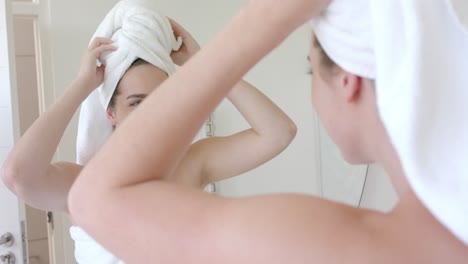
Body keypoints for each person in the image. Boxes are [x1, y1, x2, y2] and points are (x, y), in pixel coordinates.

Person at [66, 0, 468, 263]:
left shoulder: (348, 242)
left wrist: (271, 14)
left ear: (349, 81)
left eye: (311, 68)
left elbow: (94, 200)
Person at [0, 15, 297, 264]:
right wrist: (81, 86)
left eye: (161, 100)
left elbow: (278, 133)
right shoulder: (84, 183)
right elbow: (18, 175)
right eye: (137, 103)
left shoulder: (193, 164)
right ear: (111, 113)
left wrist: (206, 62)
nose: (152, 115)